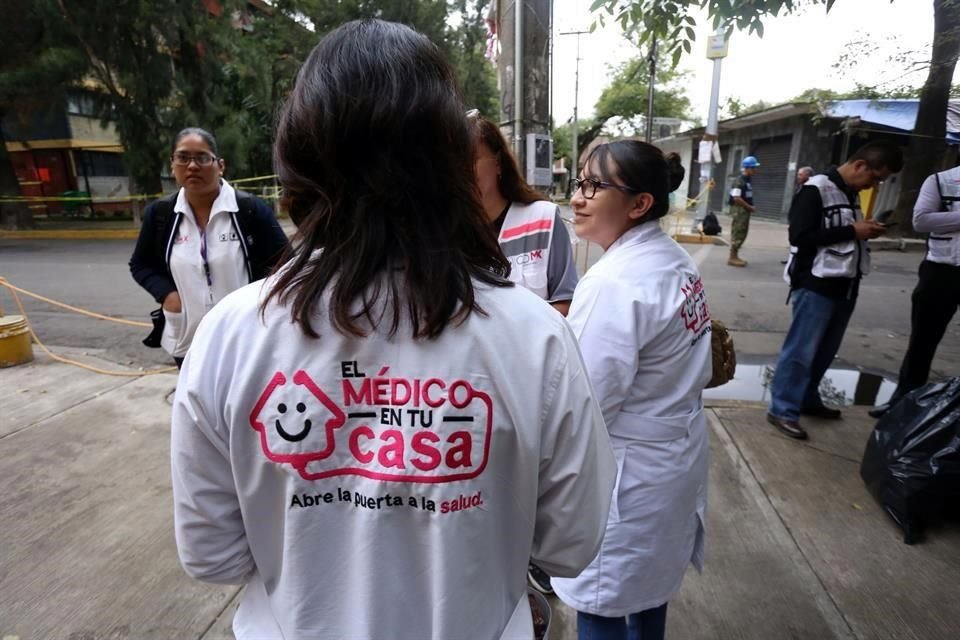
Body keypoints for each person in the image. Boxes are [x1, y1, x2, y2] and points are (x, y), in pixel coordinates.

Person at [170, 20, 616, 640]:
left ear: (297, 157)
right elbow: (570, 544)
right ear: (454, 162)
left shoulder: (229, 336)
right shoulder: (534, 336)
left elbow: (211, 555)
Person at [551, 141, 712, 640]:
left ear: (639, 204)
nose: (578, 197)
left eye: (595, 186)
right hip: (670, 452)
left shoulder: (615, 283)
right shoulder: (671, 259)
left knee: (603, 600)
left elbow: (586, 402)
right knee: (647, 588)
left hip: (630, 468)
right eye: (579, 182)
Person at [469, 113, 579, 595]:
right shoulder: (445, 226)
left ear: (495, 158)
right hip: (467, 386)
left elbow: (564, 299)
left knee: (536, 476)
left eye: (466, 158)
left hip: (529, 378)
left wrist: (514, 345)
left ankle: (539, 564)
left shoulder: (541, 219)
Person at [767, 141, 903, 440]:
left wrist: (865, 229)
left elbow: (843, 231)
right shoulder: (816, 189)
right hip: (816, 284)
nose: (874, 185)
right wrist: (852, 231)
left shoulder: (850, 192)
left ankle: (806, 399)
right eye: (875, 177)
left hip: (845, 283)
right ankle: (782, 410)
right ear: (860, 166)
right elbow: (800, 236)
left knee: (824, 351)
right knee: (800, 352)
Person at [129, 127, 289, 368]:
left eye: (202, 158)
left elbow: (286, 263)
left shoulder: (249, 210)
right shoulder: (161, 214)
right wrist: (168, 296)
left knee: (244, 403)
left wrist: (261, 304)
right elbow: (141, 264)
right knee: (198, 402)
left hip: (245, 336)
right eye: (183, 158)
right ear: (172, 164)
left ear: (220, 165)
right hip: (188, 335)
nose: (192, 166)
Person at [870, 161, 960, 418]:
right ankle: (903, 402)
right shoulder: (940, 181)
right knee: (922, 341)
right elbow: (921, 220)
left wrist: (947, 220)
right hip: (940, 271)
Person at [469, 113, 578, 317]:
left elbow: (566, 302)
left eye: (471, 159)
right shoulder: (445, 234)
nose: (461, 171)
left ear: (498, 162)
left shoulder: (542, 220)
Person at [728, 155, 759, 267]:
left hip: (744, 210)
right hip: (739, 210)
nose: (756, 170)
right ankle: (732, 257)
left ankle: (735, 255)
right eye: (754, 167)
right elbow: (736, 198)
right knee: (738, 232)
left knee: (742, 232)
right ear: (748, 168)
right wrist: (749, 207)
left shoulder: (747, 180)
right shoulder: (739, 181)